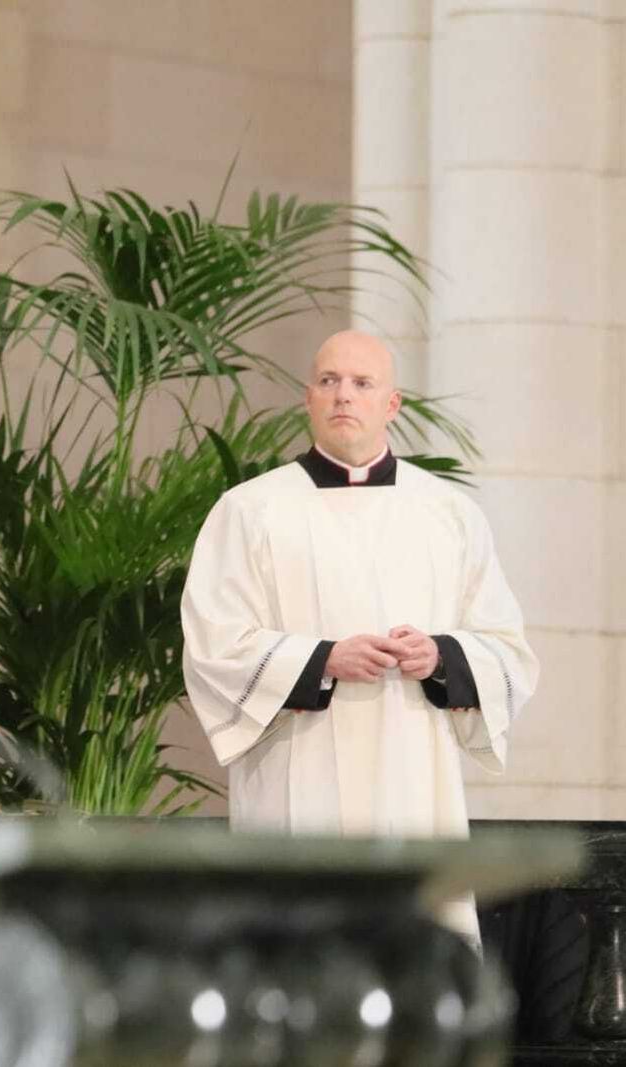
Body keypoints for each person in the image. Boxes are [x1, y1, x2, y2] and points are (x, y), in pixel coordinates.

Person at [181, 329, 538, 940]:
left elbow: (508, 649)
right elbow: (213, 643)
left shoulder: (447, 514)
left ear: (391, 404)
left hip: (412, 780)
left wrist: (440, 656)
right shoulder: (250, 510)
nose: (343, 395)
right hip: (296, 772)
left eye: (362, 383)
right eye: (329, 382)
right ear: (308, 399)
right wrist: (322, 658)